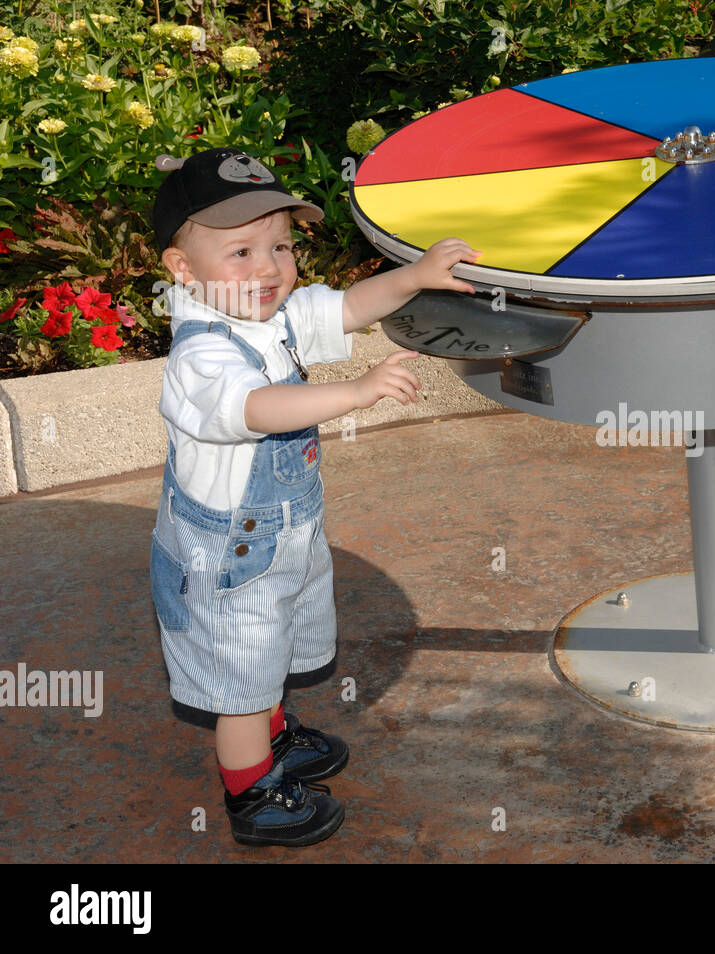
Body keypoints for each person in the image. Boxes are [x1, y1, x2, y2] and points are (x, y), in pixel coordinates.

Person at [148, 147, 478, 846]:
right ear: (182, 269)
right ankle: (253, 793)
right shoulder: (201, 355)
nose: (268, 267)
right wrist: (356, 392)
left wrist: (415, 276)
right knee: (239, 675)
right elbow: (261, 407)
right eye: (241, 250)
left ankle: (273, 738)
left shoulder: (269, 316)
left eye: (281, 246)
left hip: (279, 541)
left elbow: (350, 306)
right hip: (228, 560)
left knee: (270, 647)